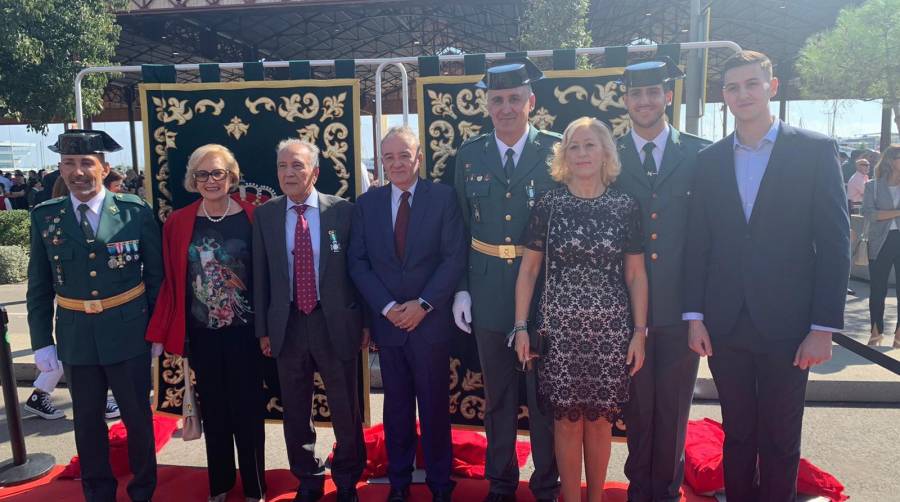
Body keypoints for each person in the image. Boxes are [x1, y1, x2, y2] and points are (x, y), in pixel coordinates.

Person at [684, 50, 849, 502]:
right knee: (737, 434)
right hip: (725, 322)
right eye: (734, 87)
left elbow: (835, 243)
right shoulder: (709, 159)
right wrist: (695, 317)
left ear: (772, 87)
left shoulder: (814, 150)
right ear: (724, 97)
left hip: (789, 326)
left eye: (752, 84)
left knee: (779, 435)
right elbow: (699, 243)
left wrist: (823, 328)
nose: (743, 94)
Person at [514, 117, 647, 502]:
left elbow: (636, 275)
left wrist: (639, 332)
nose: (583, 153)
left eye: (590, 145)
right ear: (564, 155)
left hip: (611, 333)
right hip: (559, 331)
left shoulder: (624, 206)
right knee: (567, 423)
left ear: (605, 151)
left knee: (600, 423)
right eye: (574, 146)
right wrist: (521, 326)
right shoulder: (549, 205)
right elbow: (529, 269)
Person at [26, 129, 163, 502]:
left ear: (104, 168)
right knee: (86, 424)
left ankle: (142, 491)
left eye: (87, 163)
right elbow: (38, 286)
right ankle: (98, 493)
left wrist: (157, 329)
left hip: (129, 332)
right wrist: (42, 342)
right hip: (75, 336)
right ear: (60, 168)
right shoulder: (45, 217)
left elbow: (155, 277)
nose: (78, 172)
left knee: (137, 419)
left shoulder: (133, 211)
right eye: (69, 164)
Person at [451, 58, 561, 502]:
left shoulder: (555, 151)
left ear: (530, 102)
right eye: (497, 100)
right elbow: (458, 227)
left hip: (543, 294)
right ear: (487, 105)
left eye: (515, 99)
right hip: (488, 290)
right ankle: (500, 483)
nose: (506, 108)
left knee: (541, 399)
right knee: (497, 396)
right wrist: (462, 287)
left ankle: (546, 483)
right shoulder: (469, 155)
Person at [348, 127, 466, 502]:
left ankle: (440, 484)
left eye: (404, 155)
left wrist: (424, 305)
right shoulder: (367, 204)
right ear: (381, 161)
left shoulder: (443, 198)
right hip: (389, 325)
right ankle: (398, 483)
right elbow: (358, 262)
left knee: (434, 409)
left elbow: (453, 257)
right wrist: (386, 308)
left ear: (419, 158)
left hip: (430, 324)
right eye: (389, 157)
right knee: (396, 410)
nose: (397, 163)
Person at [611, 59, 710, 502]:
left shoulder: (701, 153)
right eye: (636, 93)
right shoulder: (608, 155)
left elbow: (711, 236)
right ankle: (639, 491)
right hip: (626, 308)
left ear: (668, 96)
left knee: (673, 410)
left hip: (679, 307)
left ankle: (666, 493)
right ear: (625, 100)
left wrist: (701, 310)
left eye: (654, 92)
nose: (645, 101)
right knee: (637, 408)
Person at [145, 144, 266, 502]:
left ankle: (255, 488)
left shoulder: (253, 217)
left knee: (248, 412)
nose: (210, 180)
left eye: (217, 173)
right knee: (214, 412)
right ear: (192, 179)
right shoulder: (178, 222)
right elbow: (171, 280)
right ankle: (221, 486)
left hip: (247, 334)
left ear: (232, 176)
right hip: (201, 335)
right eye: (202, 174)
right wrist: (163, 331)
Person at [252, 139, 366, 502]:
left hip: (333, 322)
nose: (289, 173)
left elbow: (359, 269)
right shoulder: (266, 214)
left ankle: (347, 479)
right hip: (288, 325)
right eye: (283, 166)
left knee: (345, 408)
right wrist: (263, 330)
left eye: (297, 166)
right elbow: (261, 277)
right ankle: (309, 478)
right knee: (296, 410)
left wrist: (364, 323)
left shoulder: (344, 212)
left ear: (315, 171)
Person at [861, 144, 900, 348]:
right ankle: (876, 332)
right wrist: (897, 213)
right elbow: (869, 214)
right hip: (880, 242)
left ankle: (899, 335)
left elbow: (878, 214)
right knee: (878, 289)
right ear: (891, 161)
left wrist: (886, 213)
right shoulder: (873, 186)